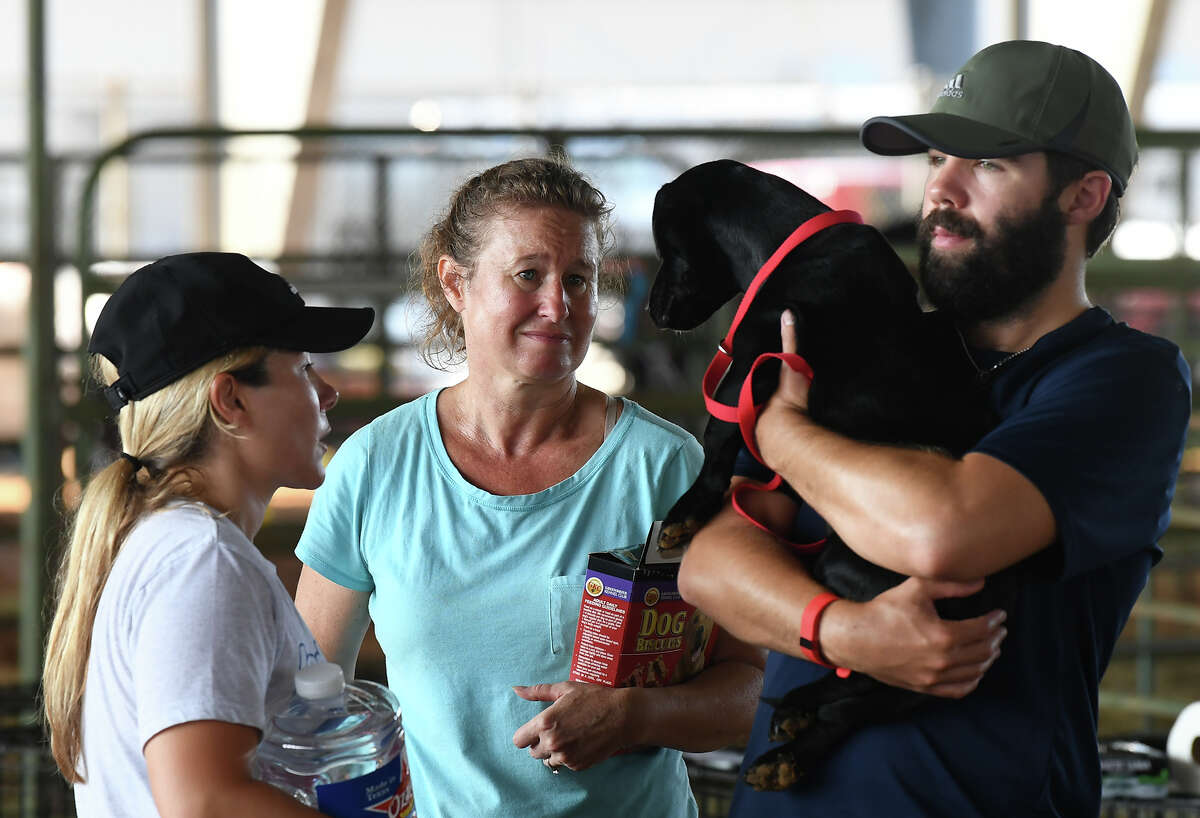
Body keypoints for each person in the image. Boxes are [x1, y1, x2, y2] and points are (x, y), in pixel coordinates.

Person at [678, 39, 1191, 817]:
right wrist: (844, 632)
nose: (941, 190)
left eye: (987, 165)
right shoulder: (879, 349)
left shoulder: (1124, 379)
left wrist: (784, 436)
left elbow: (944, 530)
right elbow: (709, 566)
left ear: (1084, 195)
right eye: (935, 160)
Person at [292, 157, 765, 817]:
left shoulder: (665, 466)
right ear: (455, 284)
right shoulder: (374, 465)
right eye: (527, 275)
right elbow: (312, 699)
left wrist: (638, 715)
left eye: (579, 279)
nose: (558, 305)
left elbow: (750, 691)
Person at [41, 252, 374, 817]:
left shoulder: (172, 542)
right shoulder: (204, 561)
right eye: (302, 370)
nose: (328, 393)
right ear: (231, 400)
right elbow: (206, 802)